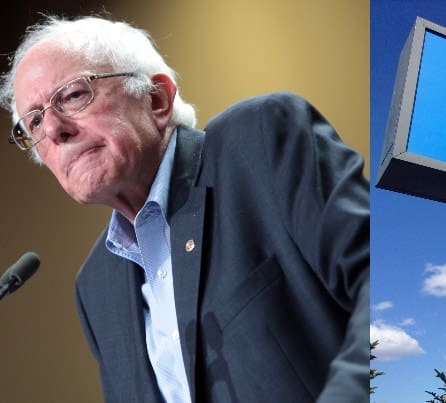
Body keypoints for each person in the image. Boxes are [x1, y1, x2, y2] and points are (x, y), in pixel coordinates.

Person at [0, 15, 369, 403]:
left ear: (156, 99)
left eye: (73, 95)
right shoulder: (96, 287)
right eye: (35, 121)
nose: (55, 130)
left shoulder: (260, 142)